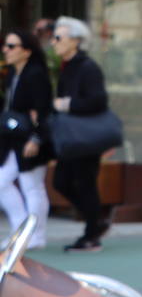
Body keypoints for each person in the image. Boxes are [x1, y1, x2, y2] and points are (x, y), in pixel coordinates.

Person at [52, 17, 112, 253]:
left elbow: (98, 101)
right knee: (61, 182)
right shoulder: (68, 67)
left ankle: (92, 235)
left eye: (59, 37)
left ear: (75, 41)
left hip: (85, 138)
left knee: (85, 184)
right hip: (71, 137)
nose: (54, 42)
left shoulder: (87, 67)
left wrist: (67, 104)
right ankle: (96, 220)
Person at [0, 28, 53, 249]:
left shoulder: (36, 75)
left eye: (12, 46)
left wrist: (37, 138)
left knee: (32, 186)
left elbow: (44, 110)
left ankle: (35, 236)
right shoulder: (13, 74)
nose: (6, 50)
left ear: (27, 51)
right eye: (6, 45)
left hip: (32, 139)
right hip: (14, 139)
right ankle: (21, 230)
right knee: (2, 183)